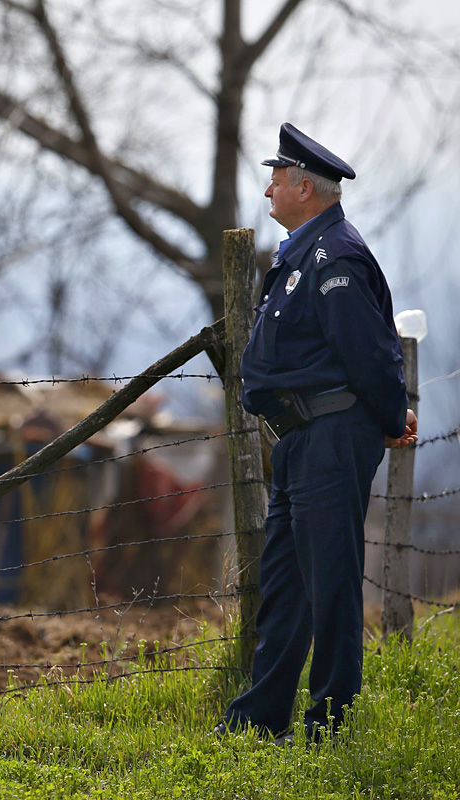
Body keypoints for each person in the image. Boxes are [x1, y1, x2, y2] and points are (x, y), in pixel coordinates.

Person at [216, 122, 418, 744]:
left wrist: (387, 418)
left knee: (329, 580)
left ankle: (329, 724)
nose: (270, 188)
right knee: (286, 583)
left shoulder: (336, 255)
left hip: (332, 436)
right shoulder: (301, 251)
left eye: (277, 179)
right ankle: (260, 719)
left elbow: (367, 352)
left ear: (306, 187)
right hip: (303, 440)